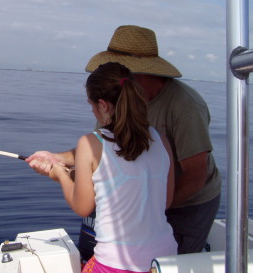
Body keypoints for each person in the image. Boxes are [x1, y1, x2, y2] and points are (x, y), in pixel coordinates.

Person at [27, 25, 221, 258]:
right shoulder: (115, 100)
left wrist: (150, 211)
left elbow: (195, 175)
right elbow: (103, 149)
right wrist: (58, 158)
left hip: (187, 203)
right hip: (150, 202)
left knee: (173, 261)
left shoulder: (185, 107)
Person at [48, 62, 177, 273]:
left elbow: (83, 207)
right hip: (164, 261)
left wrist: (61, 175)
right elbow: (166, 201)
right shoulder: (161, 139)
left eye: (91, 106)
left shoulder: (90, 143)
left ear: (103, 105)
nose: (93, 111)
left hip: (115, 264)